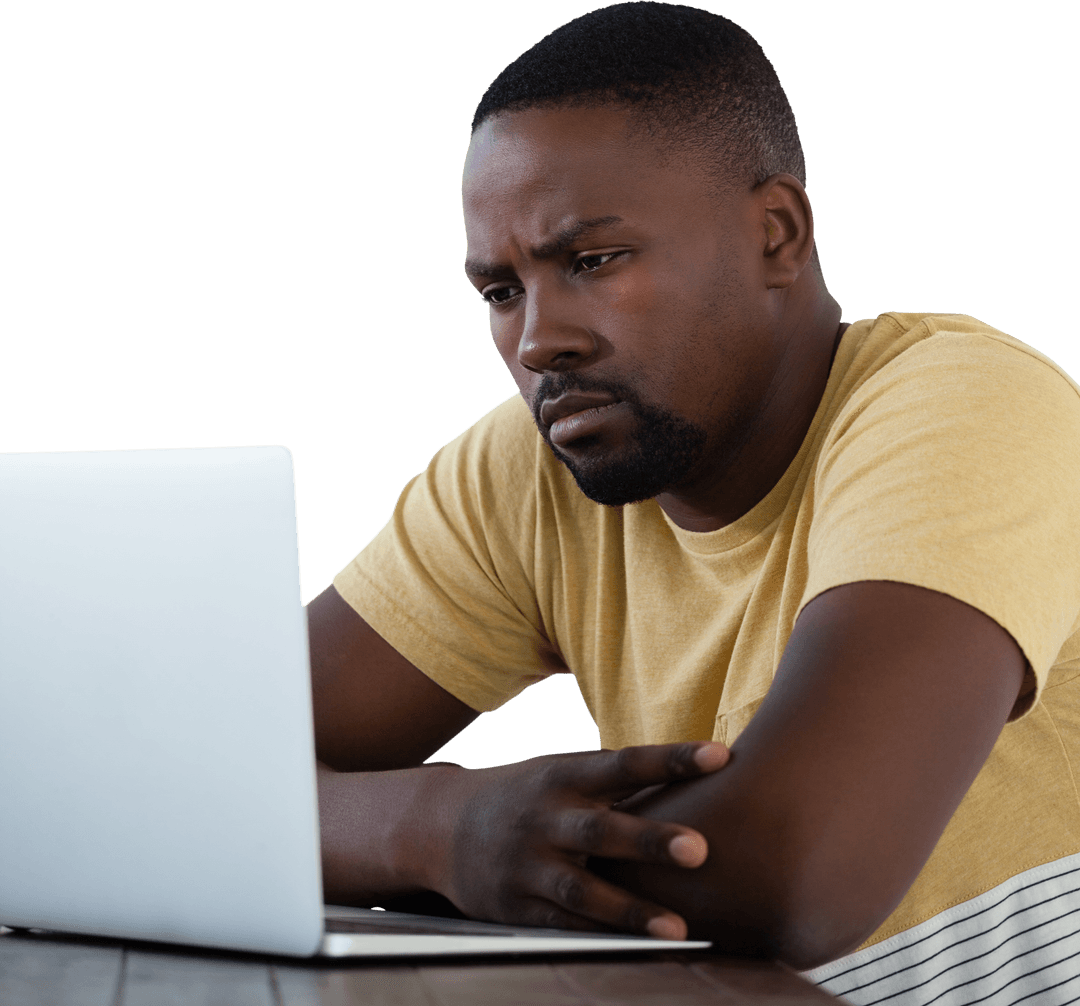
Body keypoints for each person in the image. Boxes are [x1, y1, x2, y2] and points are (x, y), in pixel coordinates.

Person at [307, 3, 1080, 1000]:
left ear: (778, 234)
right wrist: (438, 831)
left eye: (592, 261)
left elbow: (799, 870)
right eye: (501, 291)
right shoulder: (531, 470)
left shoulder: (971, 406)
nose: (539, 340)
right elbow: (194, 787)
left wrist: (422, 844)